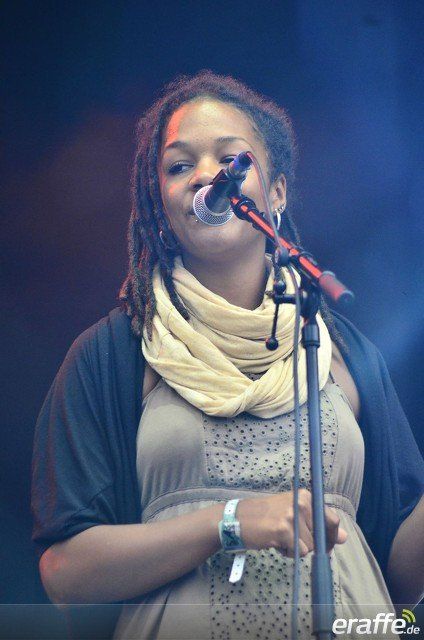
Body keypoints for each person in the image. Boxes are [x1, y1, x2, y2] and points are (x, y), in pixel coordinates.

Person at [31, 71, 424, 640]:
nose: (205, 176)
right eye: (178, 166)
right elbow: (67, 575)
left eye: (230, 159)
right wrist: (228, 522)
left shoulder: (343, 351)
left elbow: (400, 579)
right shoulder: (114, 355)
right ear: (162, 203)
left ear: (277, 193)